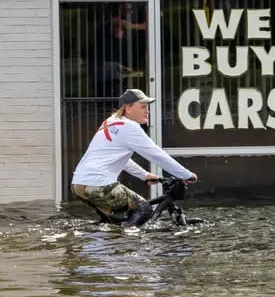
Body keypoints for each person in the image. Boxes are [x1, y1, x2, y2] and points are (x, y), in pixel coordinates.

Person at [71, 88, 198, 227]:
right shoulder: (130, 126)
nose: (147, 111)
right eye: (143, 107)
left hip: (79, 184)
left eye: (147, 107)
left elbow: (122, 160)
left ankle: (104, 244)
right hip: (99, 184)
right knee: (144, 209)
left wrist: (145, 175)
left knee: (112, 223)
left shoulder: (110, 121)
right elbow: (155, 154)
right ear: (128, 108)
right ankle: (130, 243)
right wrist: (185, 174)